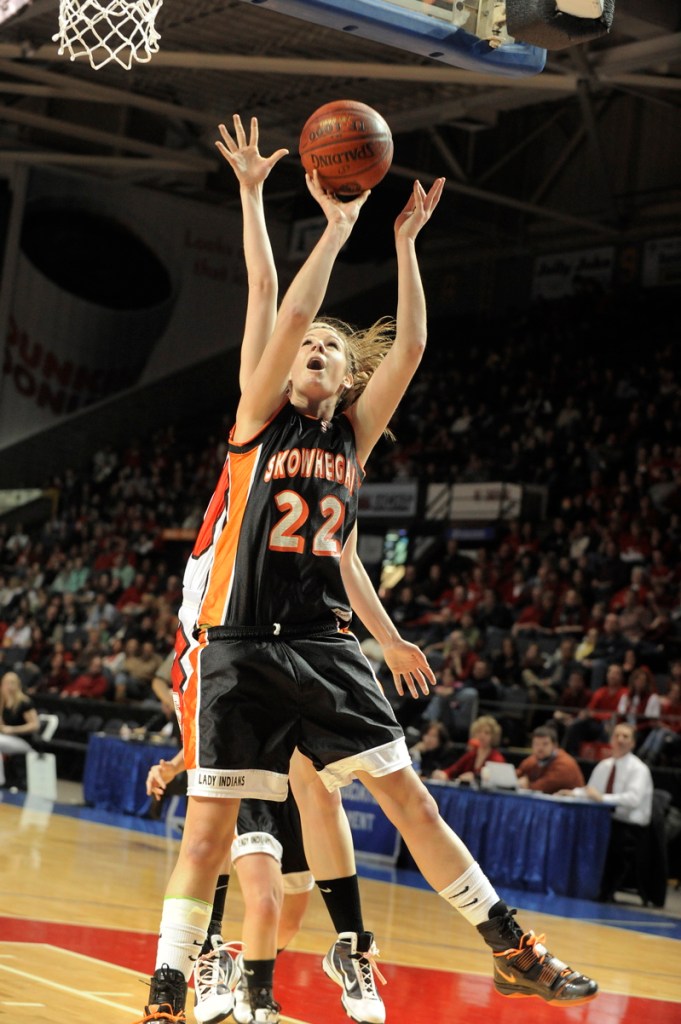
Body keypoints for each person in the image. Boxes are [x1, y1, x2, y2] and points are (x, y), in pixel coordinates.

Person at [137, 117, 596, 1024]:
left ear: (347, 383)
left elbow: (414, 349)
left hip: (321, 641)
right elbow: (282, 300)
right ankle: (167, 992)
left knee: (411, 800)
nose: (311, 352)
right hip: (238, 640)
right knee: (205, 836)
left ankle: (509, 945)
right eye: (304, 349)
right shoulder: (253, 424)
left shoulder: (351, 435)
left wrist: (403, 245)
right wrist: (312, 219)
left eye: (329, 356)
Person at [558, 723, 654, 902]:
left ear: (633, 743)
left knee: (615, 844)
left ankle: (604, 893)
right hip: (604, 821)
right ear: (610, 739)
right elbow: (592, 791)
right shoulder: (604, 765)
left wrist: (603, 799)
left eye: (626, 737)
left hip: (628, 825)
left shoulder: (639, 769)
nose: (620, 740)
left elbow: (632, 800)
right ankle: (578, 885)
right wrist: (575, 793)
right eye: (617, 735)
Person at [431, 715, 505, 784]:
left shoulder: (497, 758)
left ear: (493, 736)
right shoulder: (472, 754)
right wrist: (443, 774)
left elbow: (496, 780)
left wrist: (475, 778)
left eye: (487, 733)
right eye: (479, 732)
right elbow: (453, 769)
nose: (482, 736)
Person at [0, 669, 40, 788]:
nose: (9, 686)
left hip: (24, 742)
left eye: (12, 683)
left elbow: (35, 725)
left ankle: (0, 780)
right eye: (6, 683)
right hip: (7, 739)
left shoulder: (24, 702)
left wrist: (12, 729)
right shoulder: (3, 702)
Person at [516, 726, 584, 794]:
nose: (540, 748)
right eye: (536, 744)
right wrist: (517, 781)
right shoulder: (534, 759)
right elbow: (516, 775)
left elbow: (541, 788)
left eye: (545, 744)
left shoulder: (565, 764)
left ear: (554, 745)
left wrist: (523, 785)